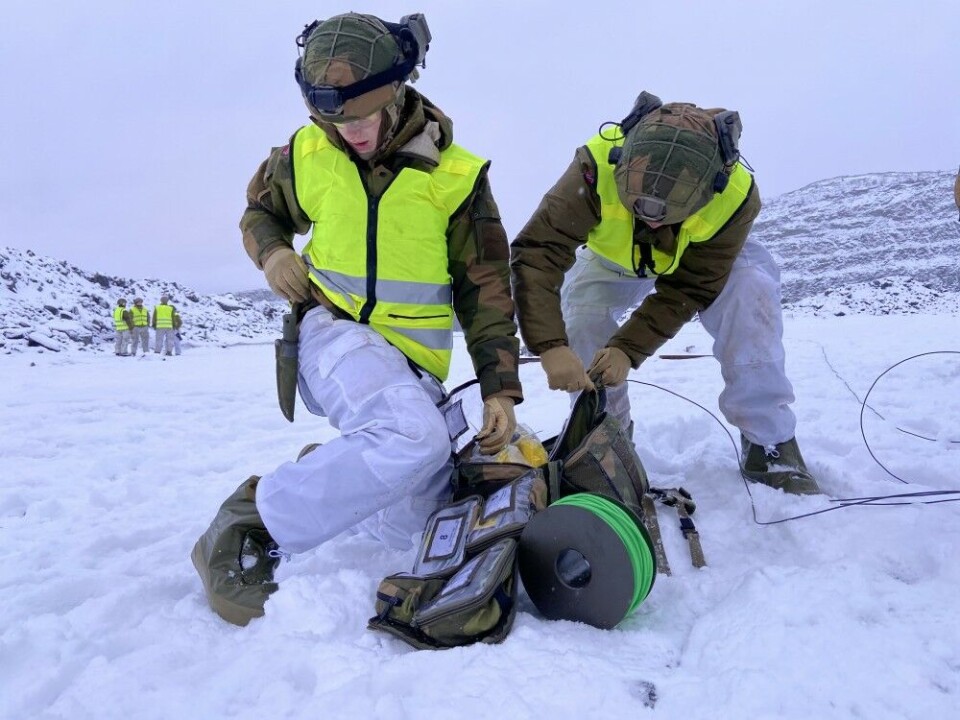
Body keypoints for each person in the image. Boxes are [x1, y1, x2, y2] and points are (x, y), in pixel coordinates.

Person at [192, 12, 523, 626]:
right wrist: (274, 252)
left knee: (413, 519)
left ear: (400, 86)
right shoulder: (304, 153)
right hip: (333, 332)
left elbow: (485, 290)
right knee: (411, 439)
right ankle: (250, 519)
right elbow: (258, 213)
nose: (352, 131)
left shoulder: (457, 179)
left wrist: (500, 387)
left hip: (412, 366)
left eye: (363, 114)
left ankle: (339, 463)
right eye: (335, 118)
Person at [511, 93, 819, 496]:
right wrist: (550, 345)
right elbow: (538, 252)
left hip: (693, 259)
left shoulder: (735, 195)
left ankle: (769, 441)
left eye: (664, 210)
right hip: (612, 258)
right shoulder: (595, 165)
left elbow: (689, 287)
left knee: (750, 293)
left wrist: (627, 348)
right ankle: (607, 441)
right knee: (580, 314)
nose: (649, 218)